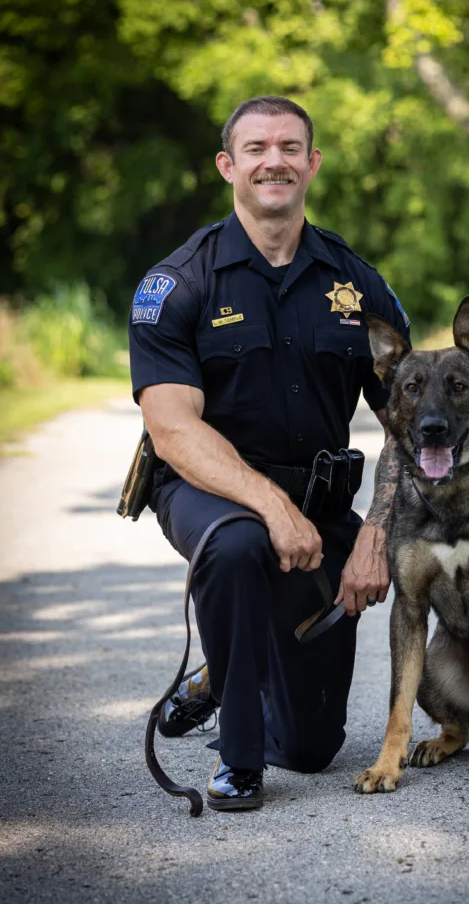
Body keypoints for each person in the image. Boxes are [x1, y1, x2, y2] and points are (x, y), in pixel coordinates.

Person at [128, 96, 410, 811]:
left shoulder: (357, 284)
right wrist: (271, 505)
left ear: (312, 164)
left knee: (313, 749)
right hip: (206, 492)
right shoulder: (179, 283)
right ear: (228, 166)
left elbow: (410, 427)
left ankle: (227, 673)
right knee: (237, 544)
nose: (273, 161)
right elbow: (173, 429)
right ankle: (238, 761)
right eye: (255, 148)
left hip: (320, 507)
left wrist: (375, 535)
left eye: (290, 147)